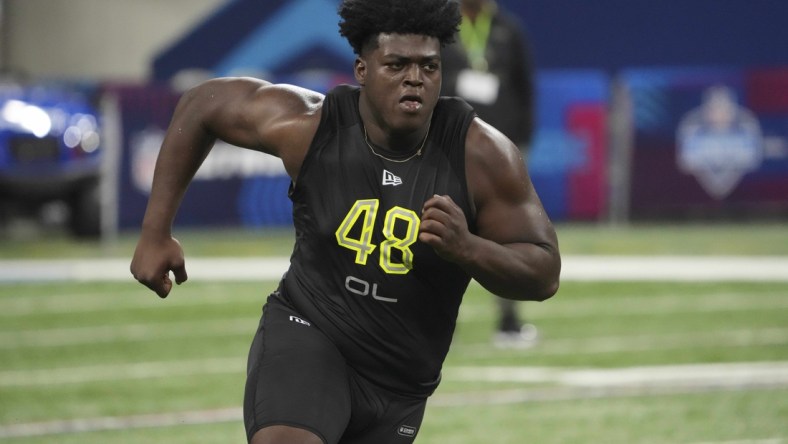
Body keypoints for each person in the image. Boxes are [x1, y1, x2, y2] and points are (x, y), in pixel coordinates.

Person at [130, 0, 560, 443]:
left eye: (428, 66)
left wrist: (469, 249)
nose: (414, 78)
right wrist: (154, 232)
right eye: (396, 64)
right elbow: (204, 103)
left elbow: (544, 273)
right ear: (362, 70)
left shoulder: (481, 154)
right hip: (310, 333)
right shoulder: (312, 126)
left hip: (401, 381)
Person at [441, 0, 539, 348]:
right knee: (440, 228)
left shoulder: (508, 29)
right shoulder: (443, 26)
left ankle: (509, 321)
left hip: (501, 146)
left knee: (507, 230)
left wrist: (522, 144)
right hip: (452, 142)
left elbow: (525, 85)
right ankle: (434, 320)